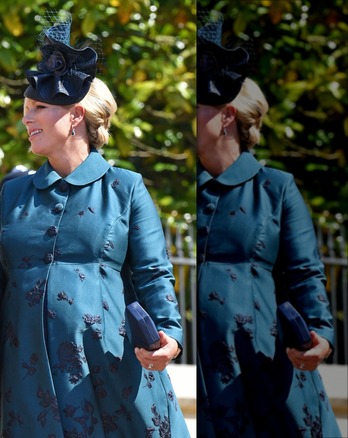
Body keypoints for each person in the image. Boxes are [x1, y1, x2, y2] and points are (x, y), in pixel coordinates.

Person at [0, 13, 189, 437]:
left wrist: (168, 333)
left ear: (75, 116)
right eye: (25, 108)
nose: (26, 119)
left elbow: (153, 271)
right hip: (23, 375)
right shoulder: (13, 194)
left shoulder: (126, 188)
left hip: (108, 367)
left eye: (38, 108)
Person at [195, 15, 340, 437]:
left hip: (259, 368)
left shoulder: (276, 188)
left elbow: (305, 273)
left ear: (225, 117)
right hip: (201, 373)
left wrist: (321, 337)